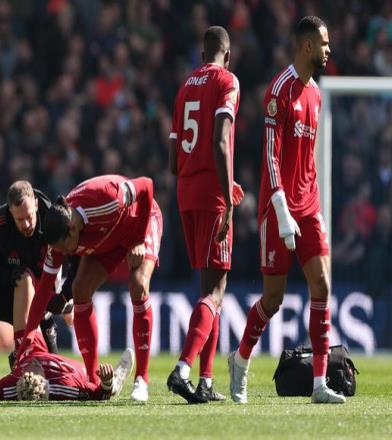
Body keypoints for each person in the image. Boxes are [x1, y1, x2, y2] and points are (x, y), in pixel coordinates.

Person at [228, 16, 346, 405]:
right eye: (324, 44)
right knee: (273, 299)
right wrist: (280, 209)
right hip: (277, 207)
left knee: (322, 286)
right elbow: (271, 155)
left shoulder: (316, 95)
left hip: (309, 206)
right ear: (307, 45)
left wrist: (314, 207)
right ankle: (240, 361)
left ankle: (319, 385)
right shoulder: (279, 90)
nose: (329, 50)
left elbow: (306, 160)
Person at [17, 174, 163, 403]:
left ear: (72, 229)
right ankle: (94, 380)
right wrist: (26, 339)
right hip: (108, 238)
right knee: (80, 290)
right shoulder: (59, 239)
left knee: (138, 285)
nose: (64, 254)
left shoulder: (109, 197)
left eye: (65, 249)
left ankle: (141, 380)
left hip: (137, 222)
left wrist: (138, 239)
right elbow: (43, 289)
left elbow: (147, 185)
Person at [166, 26, 243, 404]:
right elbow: (220, 141)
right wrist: (228, 197)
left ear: (202, 55)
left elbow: (172, 161)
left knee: (208, 293)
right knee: (216, 290)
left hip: (186, 193)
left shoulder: (184, 87)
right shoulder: (228, 81)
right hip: (213, 195)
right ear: (227, 55)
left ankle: (206, 380)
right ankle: (183, 368)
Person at [0, 181, 73, 385]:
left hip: (43, 295)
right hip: (9, 290)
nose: (26, 225)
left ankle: (33, 344)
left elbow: (72, 255)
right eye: (20, 219)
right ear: (10, 212)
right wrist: (8, 275)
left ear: (36, 204)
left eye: (29, 217)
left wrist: (64, 295)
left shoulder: (52, 218)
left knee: (56, 377)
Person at [0, 330, 134, 402]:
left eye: (24, 371)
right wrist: (107, 382)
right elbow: (98, 395)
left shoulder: (9, 385)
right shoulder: (66, 384)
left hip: (31, 349)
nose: (31, 365)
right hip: (83, 373)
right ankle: (117, 382)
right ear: (44, 378)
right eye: (34, 369)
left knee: (26, 294)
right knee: (103, 385)